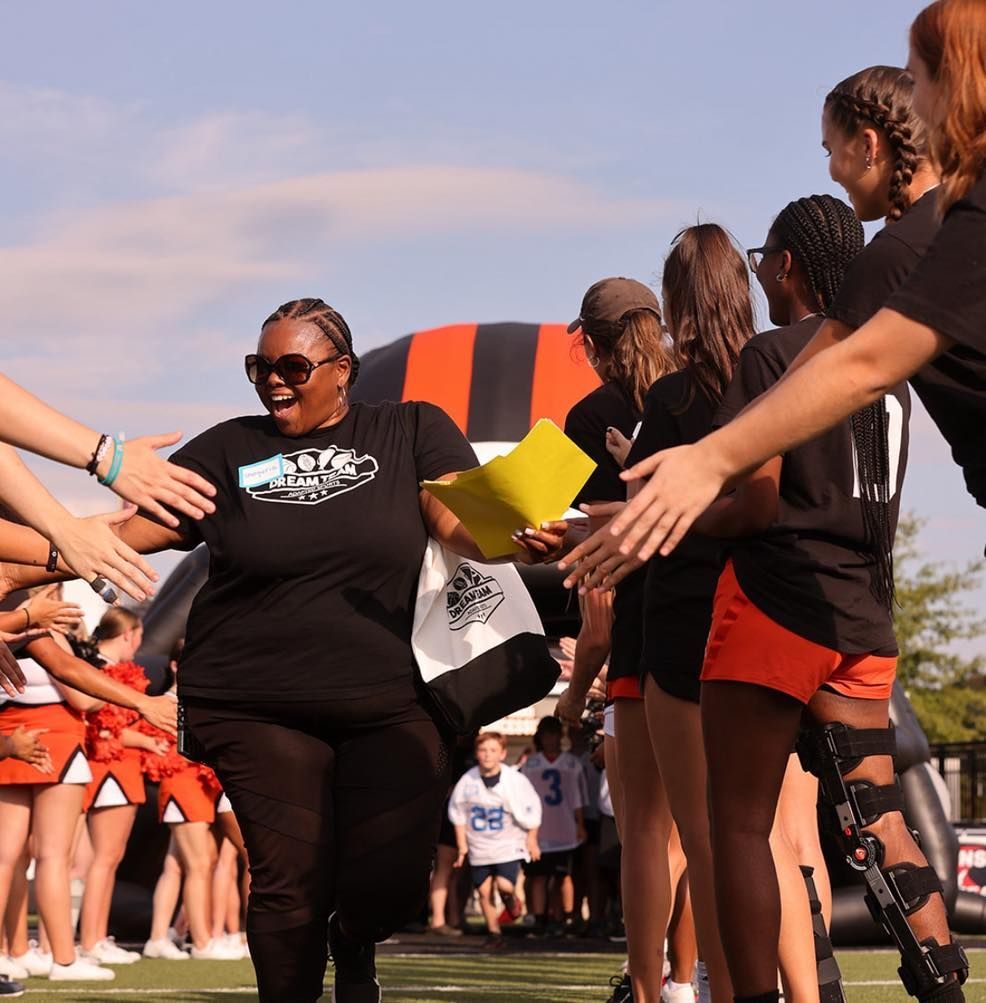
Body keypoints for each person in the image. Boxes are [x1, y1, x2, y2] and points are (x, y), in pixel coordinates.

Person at [0, 297, 565, 1003]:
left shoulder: (408, 427)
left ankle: (355, 936)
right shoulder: (230, 447)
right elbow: (122, 530)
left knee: (386, 883)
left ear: (342, 371)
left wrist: (512, 533)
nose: (274, 381)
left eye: (293, 366)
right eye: (259, 367)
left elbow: (457, 518)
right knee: (286, 882)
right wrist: (22, 569)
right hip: (256, 704)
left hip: (392, 701)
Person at [567, 53, 975, 1002]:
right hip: (866, 616)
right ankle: (944, 982)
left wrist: (652, 507)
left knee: (736, 823)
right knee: (878, 815)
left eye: (836, 149)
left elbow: (754, 501)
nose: (834, 164)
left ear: (785, 267)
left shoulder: (783, 358)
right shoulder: (902, 367)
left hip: (779, 603)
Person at [556, 276, 683, 1002]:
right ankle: (694, 980)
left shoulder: (591, 415)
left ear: (594, 346)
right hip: (717, 624)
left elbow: (597, 602)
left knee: (642, 830)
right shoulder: (706, 387)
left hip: (640, 637)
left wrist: (574, 696)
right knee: (704, 832)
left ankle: (645, 987)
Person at [77, 608, 165, 965]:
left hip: (122, 769)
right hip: (109, 768)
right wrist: (146, 742)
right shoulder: (97, 671)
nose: (139, 647)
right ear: (129, 634)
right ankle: (90, 940)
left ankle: (96, 937)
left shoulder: (111, 672)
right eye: (138, 638)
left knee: (109, 858)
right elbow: (101, 731)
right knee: (104, 857)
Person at [449, 731, 542, 947]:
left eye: (492, 750)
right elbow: (458, 815)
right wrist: (462, 847)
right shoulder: (467, 781)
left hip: (507, 844)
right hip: (479, 845)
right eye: (483, 750)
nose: (487, 755)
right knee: (483, 891)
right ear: (476, 754)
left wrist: (532, 840)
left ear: (502, 754)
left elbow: (532, 810)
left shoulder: (515, 780)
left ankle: (512, 900)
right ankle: (494, 933)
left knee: (504, 886)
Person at [519, 716, 587, 937]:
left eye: (554, 734)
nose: (551, 739)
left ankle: (565, 917)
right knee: (539, 876)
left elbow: (578, 799)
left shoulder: (572, 764)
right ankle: (539, 918)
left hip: (564, 828)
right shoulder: (530, 764)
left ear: (561, 736)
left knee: (563, 876)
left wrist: (580, 824)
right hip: (538, 830)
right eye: (546, 734)